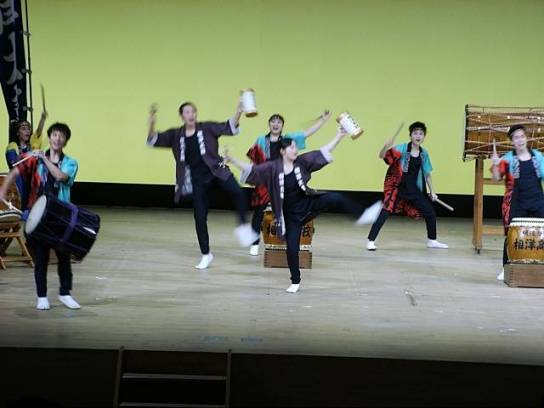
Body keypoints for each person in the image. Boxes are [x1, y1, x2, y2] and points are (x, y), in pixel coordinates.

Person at [227, 127, 366, 293]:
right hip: (291, 217)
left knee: (336, 198)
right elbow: (252, 169)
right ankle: (295, 281)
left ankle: (362, 215)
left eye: (295, 147)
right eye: (292, 147)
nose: (295, 150)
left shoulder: (301, 162)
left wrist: (339, 135)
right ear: (283, 151)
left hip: (308, 203)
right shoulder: (272, 168)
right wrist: (232, 160)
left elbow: (323, 151)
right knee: (292, 250)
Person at [147, 99, 258, 270]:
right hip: (197, 180)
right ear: (182, 116)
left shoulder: (207, 128)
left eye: (193, 111)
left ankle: (243, 226)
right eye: (187, 112)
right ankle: (206, 254)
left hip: (216, 171)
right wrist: (152, 124)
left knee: (238, 192)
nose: (191, 114)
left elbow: (229, 127)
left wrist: (239, 111)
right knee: (199, 217)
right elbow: (153, 139)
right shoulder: (175, 135)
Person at [0, 122, 79, 310]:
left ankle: (65, 293)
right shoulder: (35, 160)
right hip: (39, 215)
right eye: (54, 135)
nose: (57, 139)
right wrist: (2, 192)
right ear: (49, 138)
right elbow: (15, 170)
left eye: (61, 136)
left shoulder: (70, 163)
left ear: (65, 141)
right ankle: (41, 296)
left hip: (60, 216)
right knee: (41, 258)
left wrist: (44, 159)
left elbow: (60, 177)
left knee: (64, 258)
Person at [246, 110, 331, 255]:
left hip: (283, 178)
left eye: (279, 122)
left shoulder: (287, 140)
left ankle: (290, 239)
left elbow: (306, 133)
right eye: (273, 122)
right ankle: (254, 243)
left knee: (290, 209)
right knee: (259, 211)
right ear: (269, 124)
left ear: (282, 125)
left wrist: (322, 120)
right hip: (266, 178)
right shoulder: (261, 139)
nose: (275, 124)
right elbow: (253, 159)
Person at [366, 121, 448, 250]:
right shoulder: (402, 148)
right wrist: (385, 146)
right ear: (410, 136)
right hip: (398, 187)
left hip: (413, 189)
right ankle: (370, 240)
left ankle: (432, 240)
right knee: (385, 211)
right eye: (415, 133)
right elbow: (382, 156)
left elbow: (427, 173)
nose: (418, 136)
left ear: (424, 136)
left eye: (421, 134)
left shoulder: (424, 153)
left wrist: (432, 191)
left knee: (430, 211)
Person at [491, 125, 544, 280]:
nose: (520, 140)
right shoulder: (507, 158)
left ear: (526, 138)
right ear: (512, 141)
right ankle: (505, 268)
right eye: (516, 137)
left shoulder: (538, 157)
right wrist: (496, 164)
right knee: (512, 234)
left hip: (537, 200)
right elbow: (496, 178)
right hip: (517, 202)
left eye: (522, 136)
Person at [5, 109, 48, 211]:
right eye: (23, 129)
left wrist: (42, 119)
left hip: (32, 182)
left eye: (28, 129)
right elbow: (13, 161)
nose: (27, 131)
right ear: (17, 133)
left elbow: (38, 133)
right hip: (19, 182)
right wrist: (29, 154)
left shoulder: (32, 145)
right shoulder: (13, 145)